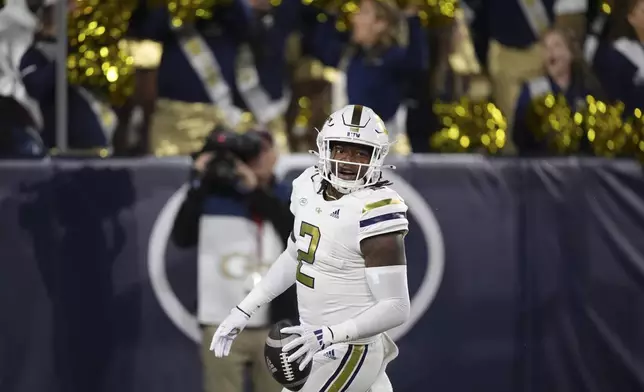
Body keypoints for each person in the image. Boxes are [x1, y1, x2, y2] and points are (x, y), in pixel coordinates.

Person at [210, 104, 411, 392]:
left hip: (350, 347)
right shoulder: (308, 186)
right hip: (315, 340)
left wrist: (329, 334)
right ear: (324, 149)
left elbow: (396, 307)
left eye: (359, 152)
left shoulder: (375, 210)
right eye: (341, 148)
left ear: (376, 157)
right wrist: (244, 310)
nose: (348, 160)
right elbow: (295, 255)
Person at [171, 128, 298, 392]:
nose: (257, 159)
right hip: (221, 321)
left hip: (272, 324)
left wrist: (254, 190)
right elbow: (182, 237)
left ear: (275, 155)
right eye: (250, 154)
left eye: (263, 150)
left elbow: (295, 235)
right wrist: (198, 180)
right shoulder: (212, 196)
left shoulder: (290, 195)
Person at [513, 27, 602, 155]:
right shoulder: (533, 90)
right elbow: (518, 137)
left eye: (557, 46)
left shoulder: (587, 90)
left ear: (570, 53)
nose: (551, 52)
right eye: (546, 47)